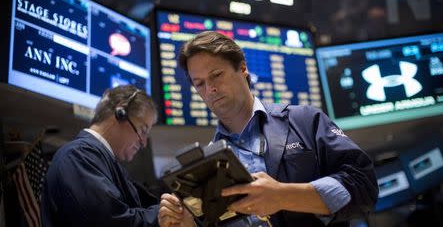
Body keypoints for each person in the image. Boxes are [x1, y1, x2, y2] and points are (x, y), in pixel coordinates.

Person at [174, 31, 378, 226]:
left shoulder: (305, 120)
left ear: (243, 69)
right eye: (199, 84)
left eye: (216, 75)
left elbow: (363, 185)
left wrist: (284, 196)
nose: (210, 90)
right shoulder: (208, 165)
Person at [40, 85, 192, 227]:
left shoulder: (102, 161)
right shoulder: (78, 156)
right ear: (120, 114)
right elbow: (112, 221)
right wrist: (162, 215)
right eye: (143, 130)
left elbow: (147, 206)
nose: (144, 142)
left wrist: (174, 207)